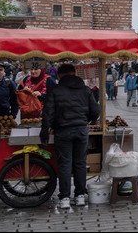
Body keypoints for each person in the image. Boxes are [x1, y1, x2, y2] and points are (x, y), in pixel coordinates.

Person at [40, 64, 101, 209]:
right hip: (81, 131)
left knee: (65, 164)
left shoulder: (55, 90)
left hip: (63, 131)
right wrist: (87, 120)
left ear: (59, 75)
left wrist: (45, 128)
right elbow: (95, 111)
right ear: (74, 73)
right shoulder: (85, 90)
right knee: (80, 163)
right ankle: (80, 196)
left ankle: (65, 198)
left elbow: (48, 112)